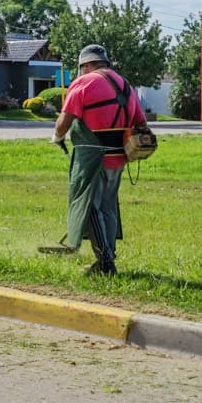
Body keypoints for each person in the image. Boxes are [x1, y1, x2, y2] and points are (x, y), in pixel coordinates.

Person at [49, 44, 147, 277]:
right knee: (108, 207)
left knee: (90, 206)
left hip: (93, 156)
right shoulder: (125, 85)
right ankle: (108, 254)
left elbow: (65, 119)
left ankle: (105, 264)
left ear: (86, 65)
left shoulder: (84, 82)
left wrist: (57, 136)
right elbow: (140, 121)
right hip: (118, 156)